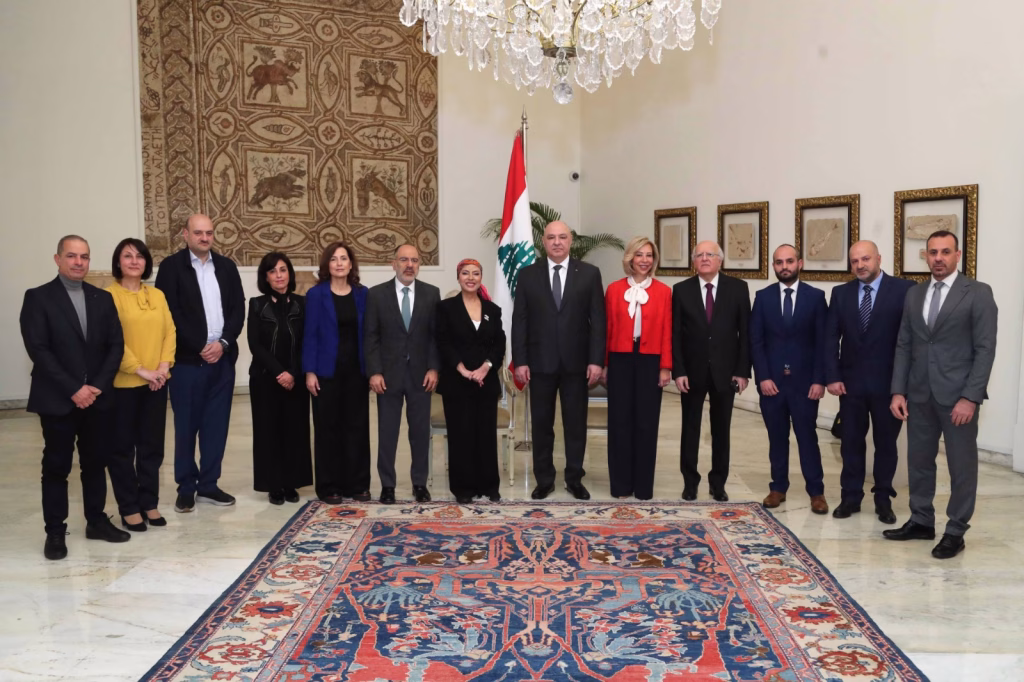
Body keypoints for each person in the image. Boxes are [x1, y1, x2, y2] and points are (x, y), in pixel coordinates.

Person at [887, 230, 997, 559]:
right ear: (926, 256)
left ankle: (956, 530)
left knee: (961, 466)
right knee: (919, 462)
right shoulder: (914, 294)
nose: (938, 258)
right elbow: (904, 344)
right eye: (932, 252)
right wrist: (898, 391)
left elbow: (985, 349)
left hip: (958, 398)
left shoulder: (977, 293)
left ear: (957, 255)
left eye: (945, 252)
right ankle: (921, 520)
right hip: (919, 394)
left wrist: (970, 397)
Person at [20, 235, 129, 559]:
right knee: (56, 466)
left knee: (95, 463)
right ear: (58, 259)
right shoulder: (38, 298)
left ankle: (96, 521)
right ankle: (55, 531)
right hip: (58, 400)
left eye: (84, 256)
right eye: (71, 256)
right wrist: (73, 388)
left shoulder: (102, 298)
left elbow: (116, 345)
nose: (78, 262)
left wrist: (96, 386)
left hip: (96, 399)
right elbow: (39, 349)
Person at [155, 214, 245, 513]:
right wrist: (200, 347)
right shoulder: (171, 267)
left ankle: (208, 485)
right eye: (198, 233)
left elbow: (238, 309)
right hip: (187, 363)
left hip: (222, 360)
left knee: (215, 427)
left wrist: (223, 343)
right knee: (186, 427)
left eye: (209, 233)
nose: (204, 238)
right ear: (185, 234)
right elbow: (170, 313)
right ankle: (186, 488)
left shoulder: (227, 267)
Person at [512, 220, 605, 501]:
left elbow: (598, 321)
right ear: (543, 242)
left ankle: (574, 479)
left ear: (570, 241)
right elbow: (520, 320)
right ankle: (544, 480)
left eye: (562, 237)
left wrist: (596, 360)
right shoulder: (527, 275)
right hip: (539, 364)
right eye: (551, 237)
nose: (556, 242)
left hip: (577, 365)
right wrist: (520, 360)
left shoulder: (589, 274)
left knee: (575, 425)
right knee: (542, 425)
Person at [825, 240, 914, 524]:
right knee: (850, 443)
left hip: (889, 386)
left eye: (865, 259)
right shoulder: (841, 293)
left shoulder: (904, 290)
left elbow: (910, 341)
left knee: (886, 444)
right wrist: (832, 376)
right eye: (855, 261)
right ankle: (850, 497)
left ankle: (883, 499)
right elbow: (830, 338)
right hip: (850, 386)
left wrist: (902, 387)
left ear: (879, 258)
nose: (860, 265)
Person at [750, 244, 829, 514]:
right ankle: (778, 488)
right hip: (771, 384)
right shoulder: (762, 297)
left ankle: (816, 492)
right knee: (777, 438)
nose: (784, 266)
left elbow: (823, 343)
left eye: (789, 261)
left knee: (807, 438)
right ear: (774, 266)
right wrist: (762, 377)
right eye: (779, 262)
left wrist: (819, 380)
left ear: (800, 263)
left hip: (806, 385)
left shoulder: (816, 297)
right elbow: (756, 341)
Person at [671, 241, 750, 502]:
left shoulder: (738, 288)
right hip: (691, 373)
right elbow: (675, 335)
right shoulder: (681, 290)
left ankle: (718, 483)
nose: (705, 258)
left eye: (710, 254)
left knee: (721, 430)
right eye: (699, 255)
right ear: (694, 261)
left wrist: (742, 371)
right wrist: (679, 371)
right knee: (690, 429)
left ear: (720, 260)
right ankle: (690, 482)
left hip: (725, 373)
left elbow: (745, 333)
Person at [105, 238, 176, 531]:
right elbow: (111, 340)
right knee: (122, 449)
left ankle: (149, 502)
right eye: (127, 256)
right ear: (118, 262)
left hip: (156, 383)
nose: (134, 261)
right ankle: (129, 507)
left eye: (140, 256)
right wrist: (140, 370)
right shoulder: (108, 296)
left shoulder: (157, 295)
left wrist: (162, 368)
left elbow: (169, 331)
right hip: (123, 384)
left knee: (151, 447)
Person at [364, 243, 440, 504]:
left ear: (419, 265)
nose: (410, 265)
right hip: (388, 376)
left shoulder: (431, 293)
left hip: (421, 376)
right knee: (387, 433)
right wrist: (374, 371)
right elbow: (371, 336)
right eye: (404, 260)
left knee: (419, 433)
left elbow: (435, 336)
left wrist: (433, 367)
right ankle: (388, 485)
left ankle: (420, 483)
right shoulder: (376, 295)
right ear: (393, 264)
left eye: (415, 260)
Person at [603, 237, 672, 500]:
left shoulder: (664, 291)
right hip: (619, 358)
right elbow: (607, 329)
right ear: (630, 259)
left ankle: (643, 487)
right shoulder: (613, 289)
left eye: (649, 255)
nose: (644, 260)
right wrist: (605, 364)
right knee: (619, 422)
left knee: (646, 423)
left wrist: (665, 367)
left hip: (650, 360)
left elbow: (667, 331)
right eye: (639, 255)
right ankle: (620, 485)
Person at [303, 242, 370, 504]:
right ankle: (330, 486)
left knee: (357, 428)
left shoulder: (363, 294)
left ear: (351, 264)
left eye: (344, 258)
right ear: (327, 265)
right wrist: (309, 371)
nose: (339, 263)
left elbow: (370, 334)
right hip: (325, 372)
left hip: (356, 372)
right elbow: (310, 335)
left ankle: (358, 484)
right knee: (327, 429)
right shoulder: (315, 294)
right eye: (334, 259)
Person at [435, 259, 506, 503]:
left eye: (475, 273)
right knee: (460, 435)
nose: (470, 278)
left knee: (485, 435)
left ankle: (489, 486)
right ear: (458, 277)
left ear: (480, 278)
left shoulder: (492, 309)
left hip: (485, 382)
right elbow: (442, 341)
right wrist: (462, 369)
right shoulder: (445, 308)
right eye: (465, 273)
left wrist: (486, 367)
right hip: (457, 382)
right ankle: (463, 489)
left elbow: (499, 343)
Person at [248, 252, 312, 505]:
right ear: (265, 277)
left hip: (296, 379)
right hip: (265, 379)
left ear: (290, 274)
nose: (278, 276)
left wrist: (293, 373)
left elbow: (308, 341)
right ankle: (273, 484)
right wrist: (279, 373)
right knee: (268, 432)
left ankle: (291, 483)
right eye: (272, 271)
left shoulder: (302, 303)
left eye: (283, 270)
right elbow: (255, 344)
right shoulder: (256, 304)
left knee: (294, 431)